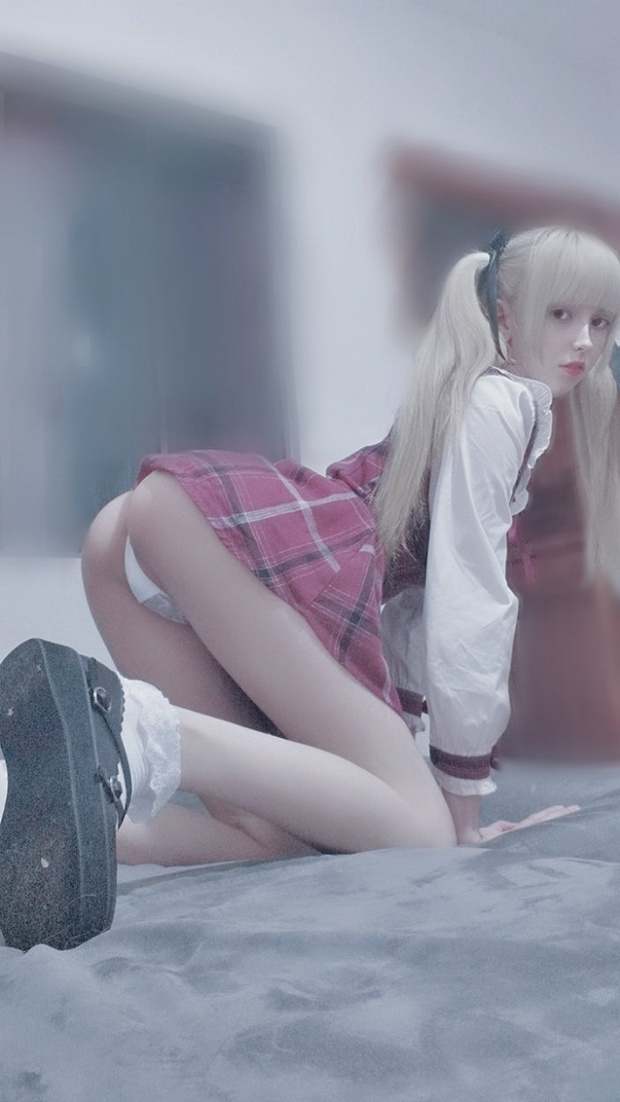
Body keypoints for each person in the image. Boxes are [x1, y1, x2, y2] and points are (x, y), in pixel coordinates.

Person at [1, 226, 616, 951]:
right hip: (202, 530)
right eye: (560, 314)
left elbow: (407, 615)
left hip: (140, 537)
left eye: (602, 321)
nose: (583, 341)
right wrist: (463, 816)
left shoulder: (469, 396)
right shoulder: (503, 406)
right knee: (419, 833)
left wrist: (392, 755)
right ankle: (127, 726)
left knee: (286, 834)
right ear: (507, 318)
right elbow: (468, 609)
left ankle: (31, 811)